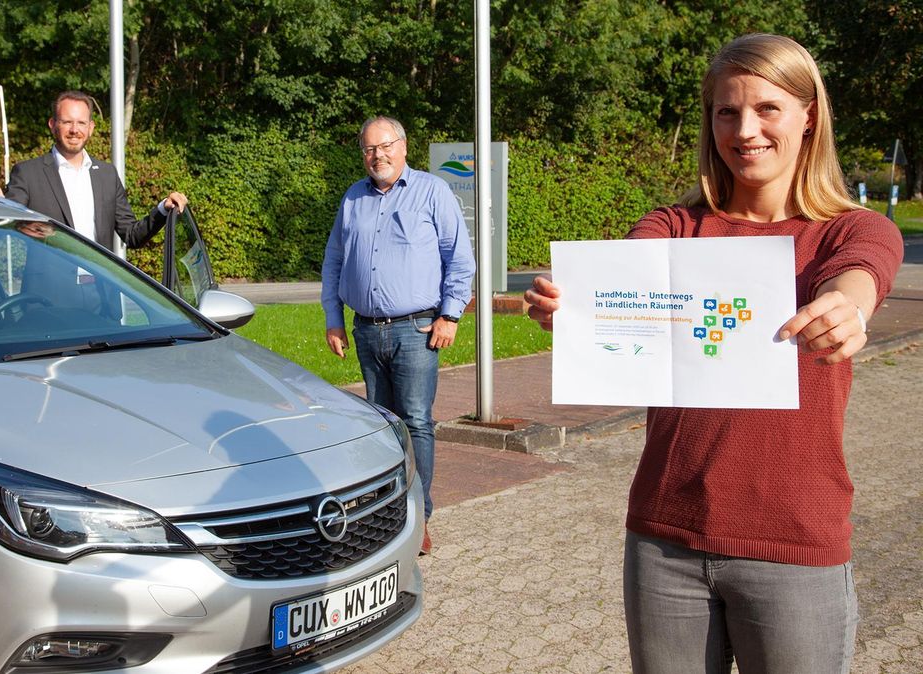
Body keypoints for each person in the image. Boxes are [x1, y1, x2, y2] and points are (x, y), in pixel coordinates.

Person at [526, 34, 903, 673]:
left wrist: (848, 307)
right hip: (665, 540)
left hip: (794, 544)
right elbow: (625, 285)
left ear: (809, 115)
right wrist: (576, 309)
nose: (745, 130)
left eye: (767, 108)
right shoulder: (673, 227)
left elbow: (862, 270)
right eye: (727, 111)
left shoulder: (850, 230)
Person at [321, 115, 475, 556]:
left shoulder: (432, 191)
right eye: (369, 149)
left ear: (403, 147)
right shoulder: (353, 197)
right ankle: (386, 513)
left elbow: (459, 259)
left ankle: (418, 517)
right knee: (381, 426)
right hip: (367, 331)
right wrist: (333, 318)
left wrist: (450, 316)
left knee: (416, 422)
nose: (378, 156)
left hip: (417, 330)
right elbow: (334, 261)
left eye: (385, 146)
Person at [0, 90, 187, 250]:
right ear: (53, 124)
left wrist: (163, 209)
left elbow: (132, 236)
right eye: (67, 122)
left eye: (81, 123)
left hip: (100, 289)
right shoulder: (28, 173)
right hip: (49, 291)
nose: (74, 130)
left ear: (91, 127)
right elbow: (8, 227)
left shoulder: (107, 175)